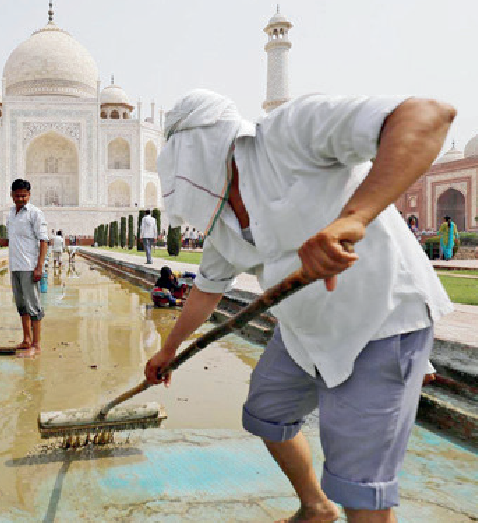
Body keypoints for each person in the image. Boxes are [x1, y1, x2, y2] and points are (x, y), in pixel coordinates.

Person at [145, 89, 455, 523]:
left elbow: (428, 115)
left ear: (195, 145)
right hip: (304, 333)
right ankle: (315, 506)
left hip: (380, 318)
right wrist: (168, 349)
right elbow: (207, 289)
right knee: (265, 412)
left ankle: (341, 502)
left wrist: (354, 217)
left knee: (360, 486)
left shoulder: (288, 135)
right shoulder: (221, 216)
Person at [0, 179, 49, 352]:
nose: (20, 199)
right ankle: (26, 340)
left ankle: (37, 344)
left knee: (33, 306)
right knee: (22, 306)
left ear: (29, 195)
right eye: (17, 195)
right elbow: (9, 241)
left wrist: (39, 266)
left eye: (24, 196)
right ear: (11, 195)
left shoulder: (35, 213)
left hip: (29, 266)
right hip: (16, 266)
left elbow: (43, 241)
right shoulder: (11, 214)